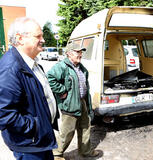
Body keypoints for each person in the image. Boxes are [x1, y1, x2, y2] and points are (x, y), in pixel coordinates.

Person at [0, 17, 57, 159]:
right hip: (30, 146)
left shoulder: (32, 63)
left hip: (41, 140)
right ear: (20, 39)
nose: (43, 40)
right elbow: (4, 114)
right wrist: (36, 127)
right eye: (38, 36)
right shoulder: (10, 69)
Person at [47, 42, 99, 159]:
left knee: (85, 127)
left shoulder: (81, 67)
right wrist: (62, 91)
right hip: (70, 104)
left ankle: (85, 151)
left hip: (82, 102)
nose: (80, 54)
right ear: (69, 54)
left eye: (81, 52)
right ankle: (57, 154)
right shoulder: (62, 66)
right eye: (77, 52)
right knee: (67, 132)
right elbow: (50, 78)